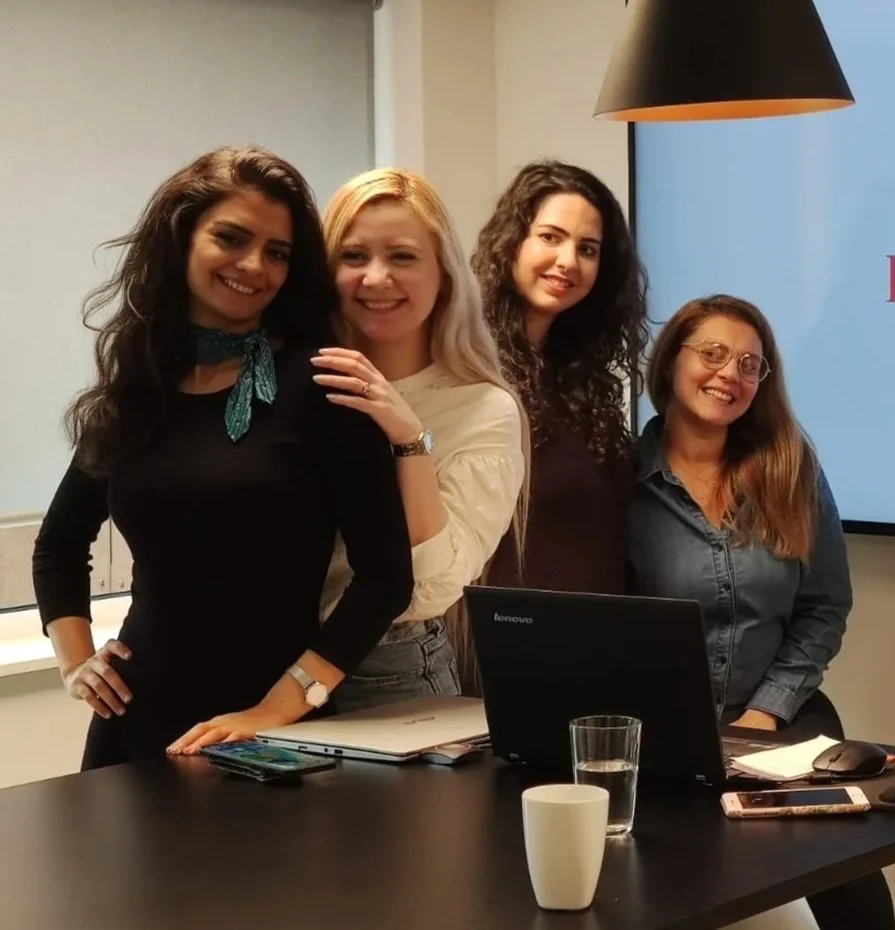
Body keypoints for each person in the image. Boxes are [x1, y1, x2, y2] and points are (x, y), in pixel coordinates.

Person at [30, 146, 415, 770]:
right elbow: (57, 547)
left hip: (272, 738)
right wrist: (77, 664)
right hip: (134, 727)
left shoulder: (324, 383)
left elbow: (386, 578)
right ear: (182, 239)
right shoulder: (140, 387)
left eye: (277, 252)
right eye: (231, 238)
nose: (253, 266)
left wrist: (280, 707)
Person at [627, 295, 895, 930]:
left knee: (854, 886)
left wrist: (765, 710)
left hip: (783, 718)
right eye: (713, 354)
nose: (730, 374)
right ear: (671, 362)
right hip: (666, 739)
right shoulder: (620, 482)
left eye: (750, 364)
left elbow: (825, 605)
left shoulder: (790, 467)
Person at [313, 167, 526, 712]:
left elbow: (433, 587)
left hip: (387, 669)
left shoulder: (481, 408)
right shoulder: (293, 383)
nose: (376, 278)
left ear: (444, 275)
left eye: (403, 257)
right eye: (354, 256)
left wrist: (409, 439)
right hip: (262, 659)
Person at [472, 159, 648, 596]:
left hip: (589, 641)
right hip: (494, 643)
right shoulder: (469, 366)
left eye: (588, 248)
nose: (568, 261)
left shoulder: (579, 377)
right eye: (551, 237)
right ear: (511, 243)